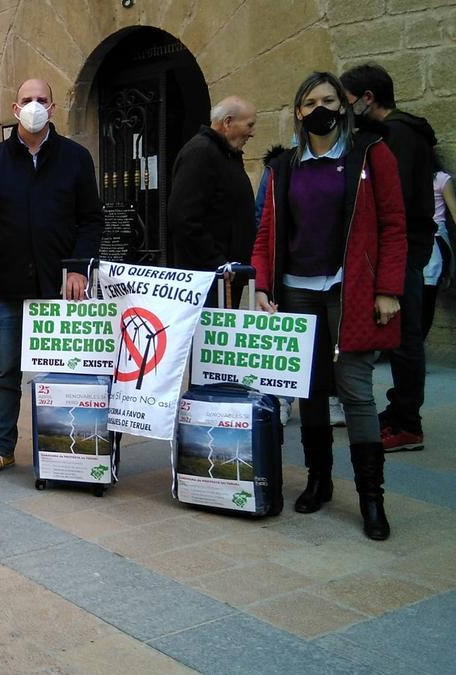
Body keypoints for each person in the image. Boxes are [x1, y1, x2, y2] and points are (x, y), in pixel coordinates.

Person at [251, 71, 406, 540]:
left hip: (350, 288)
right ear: (298, 112)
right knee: (310, 390)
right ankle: (319, 480)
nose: (320, 107)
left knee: (355, 388)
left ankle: (371, 497)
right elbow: (265, 234)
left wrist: (389, 289)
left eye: (329, 99)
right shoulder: (283, 168)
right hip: (297, 289)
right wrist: (261, 284)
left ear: (343, 106)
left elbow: (394, 226)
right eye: (310, 102)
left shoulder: (371, 155)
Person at [0, 78, 104, 479]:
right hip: (7, 291)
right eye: (27, 100)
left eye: (42, 100)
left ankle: (64, 450)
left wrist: (78, 265)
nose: (34, 105)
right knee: (5, 372)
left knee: (64, 373)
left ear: (54, 108)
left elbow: (91, 219)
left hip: (61, 290)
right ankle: (1, 448)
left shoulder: (76, 158)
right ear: (14, 109)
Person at [341, 64, 438, 453]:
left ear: (367, 99)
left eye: (345, 102)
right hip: (409, 245)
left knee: (404, 337)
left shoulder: (394, 137)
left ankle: (407, 423)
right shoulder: (404, 134)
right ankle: (399, 410)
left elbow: (391, 205)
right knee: (401, 335)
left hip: (403, 249)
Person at [169, 96, 257, 295]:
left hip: (225, 277)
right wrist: (218, 264)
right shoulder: (201, 152)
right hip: (209, 280)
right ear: (228, 122)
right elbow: (183, 219)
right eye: (249, 124)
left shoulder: (226, 154)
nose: (253, 133)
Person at [423, 156, 455, 337]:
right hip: (412, 242)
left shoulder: (442, 179)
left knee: (427, 295)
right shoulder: (406, 178)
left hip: (435, 241)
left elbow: (454, 211)